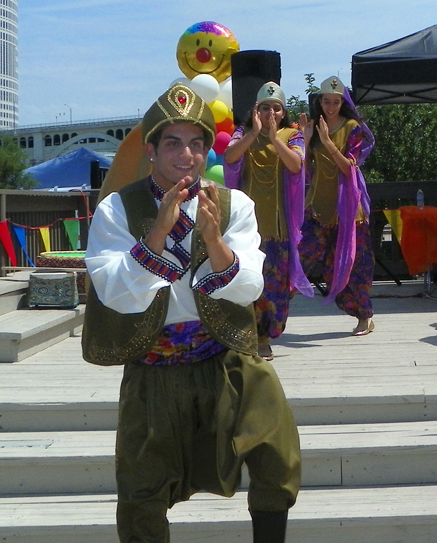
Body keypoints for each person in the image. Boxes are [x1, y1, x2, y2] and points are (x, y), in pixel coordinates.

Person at [81, 83, 301, 543]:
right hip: (152, 366)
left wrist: (215, 241)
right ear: (152, 150)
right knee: (141, 491)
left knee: (275, 448)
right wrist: (157, 234)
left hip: (223, 355)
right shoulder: (116, 210)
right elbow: (114, 291)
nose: (187, 155)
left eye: (197, 144)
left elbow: (249, 286)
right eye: (174, 143)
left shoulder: (232, 204)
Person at [224, 81, 312, 361]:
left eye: (276, 108)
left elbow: (297, 165)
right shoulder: (244, 133)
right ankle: (251, 336)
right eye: (265, 108)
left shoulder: (291, 135)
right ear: (256, 111)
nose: (270, 113)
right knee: (247, 280)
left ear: (283, 112)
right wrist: (256, 133)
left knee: (274, 287)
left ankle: (265, 336)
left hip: (278, 227)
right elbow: (230, 156)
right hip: (248, 229)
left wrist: (275, 138)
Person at [298, 75, 375, 336]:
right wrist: (307, 140)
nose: (330, 107)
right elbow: (304, 169)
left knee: (356, 264)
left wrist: (329, 144)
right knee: (298, 256)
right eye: (326, 102)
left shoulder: (352, 127)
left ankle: (365, 317)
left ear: (343, 103)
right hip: (318, 205)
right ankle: (268, 315)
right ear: (320, 102)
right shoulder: (315, 125)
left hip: (349, 209)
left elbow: (348, 168)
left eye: (336, 102)